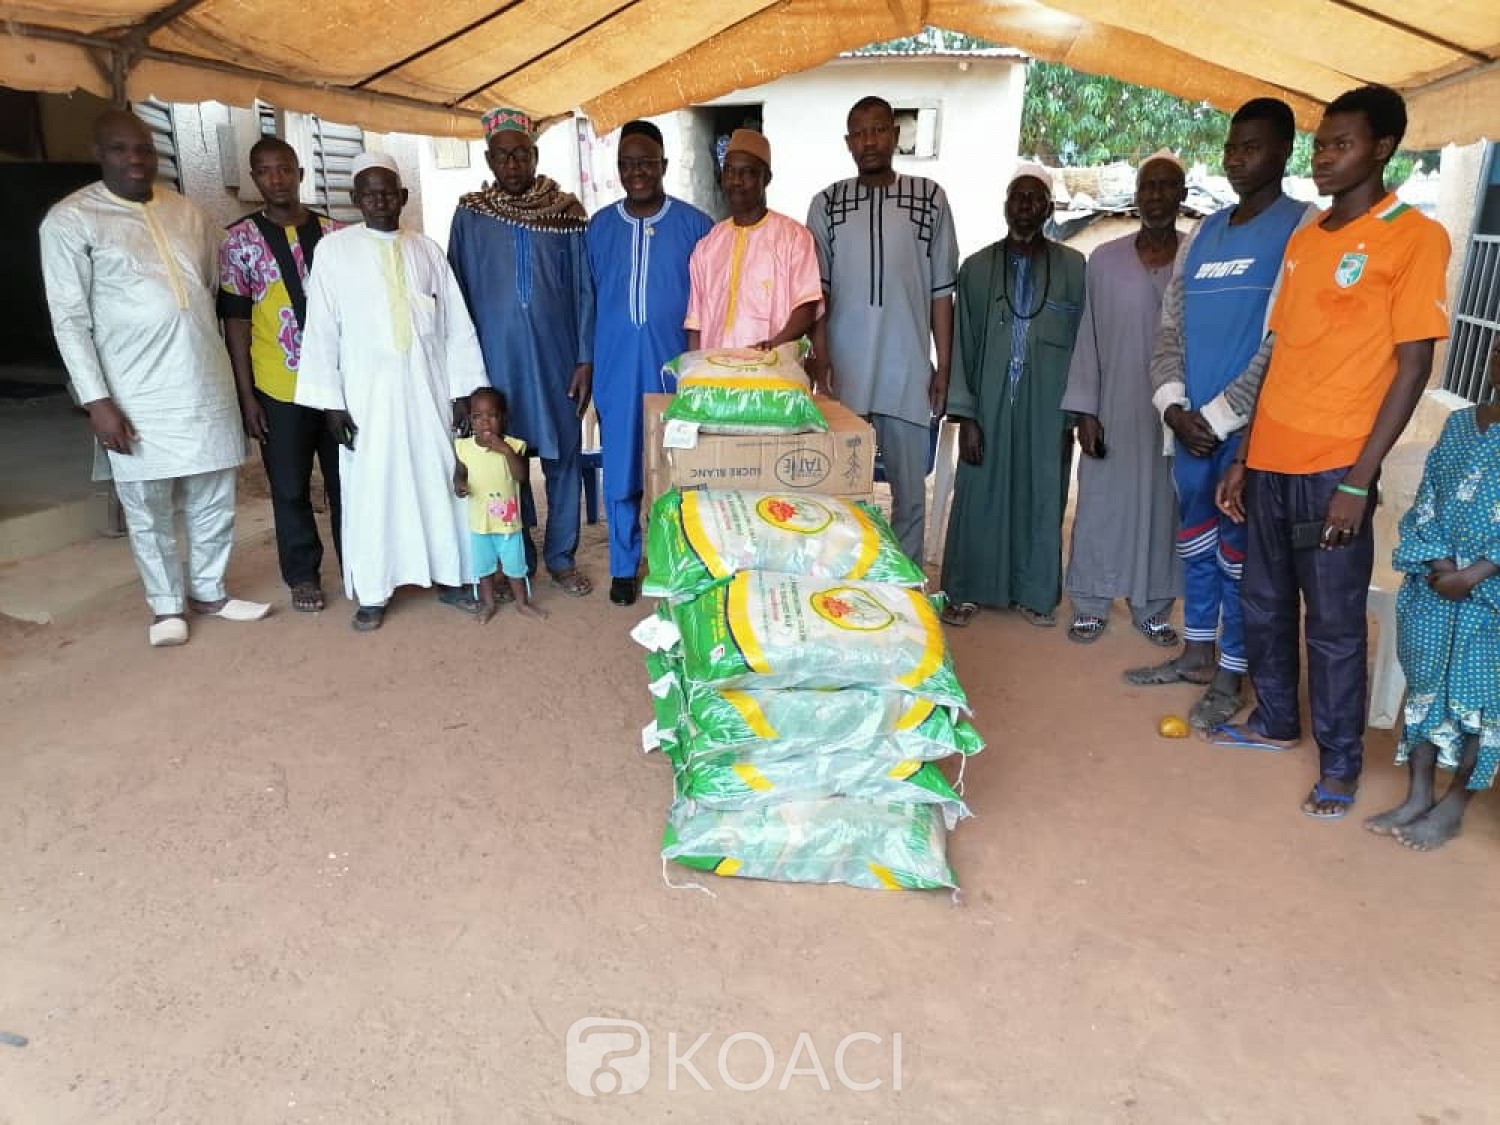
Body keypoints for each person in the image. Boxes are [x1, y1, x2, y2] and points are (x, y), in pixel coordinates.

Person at [1212, 85, 1451, 819]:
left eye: (1340, 144)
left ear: (1382, 148)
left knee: (1335, 625)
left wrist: (1358, 480)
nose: (1323, 157)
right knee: (1263, 604)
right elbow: (1279, 352)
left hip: (1335, 469)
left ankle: (1341, 765)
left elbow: (1412, 367)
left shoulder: (1414, 237)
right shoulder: (1307, 238)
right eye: (1320, 145)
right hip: (1272, 459)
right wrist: (1245, 452)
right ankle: (1277, 719)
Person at [39, 110, 268, 647]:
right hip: (133, 388)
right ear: (100, 154)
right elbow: (69, 319)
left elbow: (211, 286)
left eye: (143, 148)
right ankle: (166, 605)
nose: (135, 159)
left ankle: (210, 591)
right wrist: (96, 400)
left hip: (203, 377)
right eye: (121, 149)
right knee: (146, 502)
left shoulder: (187, 212)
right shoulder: (70, 220)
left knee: (214, 491)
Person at [1127, 99, 1317, 729]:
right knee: (1197, 544)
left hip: (1247, 434)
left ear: (1283, 152)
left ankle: (1233, 674)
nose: (1237, 159)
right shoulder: (1204, 233)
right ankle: (1197, 652)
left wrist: (1221, 415)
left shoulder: (1302, 229)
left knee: (1241, 557)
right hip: (1189, 429)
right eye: (1232, 147)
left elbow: (1285, 340)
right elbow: (1170, 329)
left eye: (1252, 147)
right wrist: (1174, 408)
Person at [296, 153, 488, 632]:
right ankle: (374, 591)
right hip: (366, 398)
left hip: (428, 392)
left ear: (403, 197)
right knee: (371, 489)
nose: (379, 200)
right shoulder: (333, 252)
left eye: (387, 192)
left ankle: (451, 577)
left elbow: (455, 325)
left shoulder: (426, 250)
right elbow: (320, 331)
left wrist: (463, 392)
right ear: (354, 199)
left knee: (439, 480)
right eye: (369, 193)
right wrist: (331, 404)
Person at [448, 107, 596, 600]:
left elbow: (585, 290)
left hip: (557, 362)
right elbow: (456, 297)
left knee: (562, 458)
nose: (512, 165)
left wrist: (584, 358)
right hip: (496, 366)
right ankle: (520, 556)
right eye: (502, 156)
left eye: (521, 155)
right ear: (489, 160)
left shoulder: (565, 213)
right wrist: (464, 377)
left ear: (534, 155)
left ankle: (561, 558)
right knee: (503, 462)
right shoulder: (471, 215)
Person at [807, 96, 959, 564]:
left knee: (910, 500)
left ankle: (905, 587)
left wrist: (943, 367)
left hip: (906, 372)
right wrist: (821, 358)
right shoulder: (827, 204)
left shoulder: (929, 198)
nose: (869, 141)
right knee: (842, 498)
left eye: (878, 130)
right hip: (845, 375)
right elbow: (818, 294)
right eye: (859, 133)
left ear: (894, 136)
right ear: (848, 142)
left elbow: (941, 292)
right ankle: (848, 584)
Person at [1365, 343, 1499, 851]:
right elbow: (1428, 499)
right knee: (1423, 688)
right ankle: (1418, 793)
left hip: (1491, 598)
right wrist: (1442, 565)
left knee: (1482, 706)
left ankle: (1454, 807)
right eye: (1498, 350)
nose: (1499, 360)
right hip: (1434, 585)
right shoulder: (1461, 423)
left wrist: (1476, 574)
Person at [939, 164, 1086, 628]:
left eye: (1035, 197)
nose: (1025, 204)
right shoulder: (976, 269)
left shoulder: (1074, 268)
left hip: (1048, 407)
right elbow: (961, 344)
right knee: (978, 494)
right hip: (988, 402)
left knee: (1042, 496)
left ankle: (1034, 594)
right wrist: (966, 416)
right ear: (1006, 206)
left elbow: (1085, 345)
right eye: (1017, 196)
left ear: (1049, 208)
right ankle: (965, 589)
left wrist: (1075, 415)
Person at [1061, 152, 1186, 646]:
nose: (1156, 195)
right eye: (1148, 186)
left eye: (1167, 186)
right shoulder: (1105, 260)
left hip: (1174, 413)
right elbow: (1087, 338)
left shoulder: (1196, 257)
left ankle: (1153, 606)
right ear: (1136, 196)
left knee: (1164, 508)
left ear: (1182, 195)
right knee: (1101, 502)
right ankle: (1091, 601)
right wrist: (1085, 411)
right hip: (1113, 405)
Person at [586, 120, 712, 606]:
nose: (636, 172)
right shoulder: (600, 227)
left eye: (645, 163)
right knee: (621, 466)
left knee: (675, 465)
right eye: (626, 164)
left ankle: (670, 560)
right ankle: (623, 566)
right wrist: (585, 361)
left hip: (672, 367)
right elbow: (587, 301)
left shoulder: (696, 226)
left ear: (664, 165)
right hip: (615, 365)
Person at [220, 136, 344, 614]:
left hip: (337, 386)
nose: (276, 178)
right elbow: (236, 322)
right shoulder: (238, 242)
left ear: (300, 172)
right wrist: (247, 395)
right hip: (277, 385)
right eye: (265, 170)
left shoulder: (335, 235)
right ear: (254, 178)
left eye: (284, 168)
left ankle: (359, 564)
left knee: (346, 482)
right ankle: (302, 575)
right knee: (290, 487)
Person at [684, 129, 823, 350]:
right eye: (729, 171)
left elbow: (806, 306)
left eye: (747, 172)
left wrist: (772, 347)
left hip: (774, 366)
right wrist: (695, 366)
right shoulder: (708, 246)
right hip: (716, 368)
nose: (736, 181)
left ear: (766, 178)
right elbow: (696, 323)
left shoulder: (794, 237)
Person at [453, 387, 547, 624]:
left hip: (508, 524)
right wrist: (459, 484)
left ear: (503, 417)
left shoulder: (514, 446)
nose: (484, 422)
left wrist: (505, 451)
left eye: (492, 416)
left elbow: (521, 477)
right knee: (484, 568)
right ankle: (488, 604)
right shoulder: (464, 447)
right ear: (470, 419)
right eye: (477, 417)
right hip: (480, 524)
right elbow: (460, 473)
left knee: (515, 567)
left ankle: (522, 603)